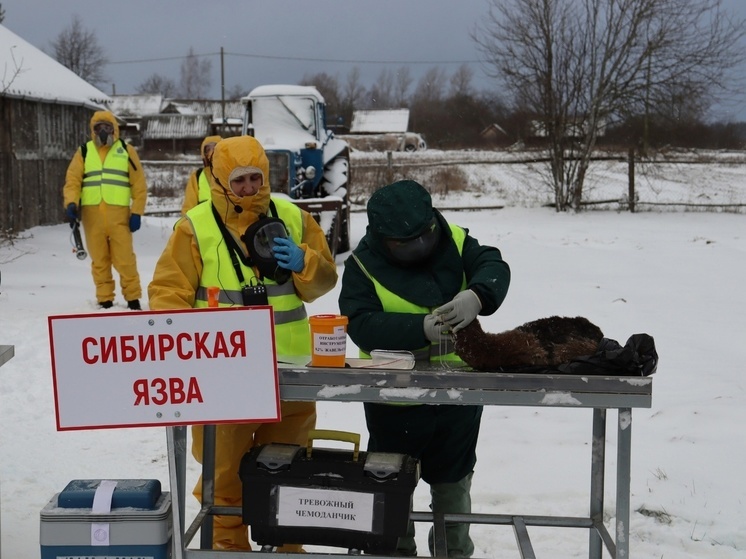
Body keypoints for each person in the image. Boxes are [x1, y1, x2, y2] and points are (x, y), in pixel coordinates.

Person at [148, 135, 338, 551]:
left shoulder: (292, 216)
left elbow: (323, 281)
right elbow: (167, 294)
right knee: (224, 479)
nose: (250, 188)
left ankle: (289, 548)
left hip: (289, 374)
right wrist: (184, 352)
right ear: (218, 180)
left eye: (256, 178)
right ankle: (226, 551)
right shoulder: (194, 227)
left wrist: (305, 261)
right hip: (224, 379)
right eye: (240, 181)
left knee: (288, 475)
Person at [338, 179, 511, 558]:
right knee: (391, 484)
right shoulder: (363, 266)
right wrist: (418, 330)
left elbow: (494, 265)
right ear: (383, 239)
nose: (419, 247)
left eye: (424, 236)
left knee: (453, 484)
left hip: (457, 397)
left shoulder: (455, 239)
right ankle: (395, 551)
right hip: (393, 401)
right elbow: (359, 321)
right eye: (406, 243)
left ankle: (454, 552)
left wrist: (478, 295)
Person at [62, 110, 147, 310]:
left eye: (107, 127)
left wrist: (137, 212)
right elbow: (72, 180)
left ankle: (133, 298)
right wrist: (71, 203)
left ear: (114, 129)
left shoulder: (126, 151)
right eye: (98, 128)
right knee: (99, 261)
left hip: (120, 217)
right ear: (92, 130)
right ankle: (105, 299)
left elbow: (139, 185)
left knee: (125, 260)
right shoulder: (84, 151)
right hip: (92, 218)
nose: (102, 132)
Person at [180, 135, 222, 216]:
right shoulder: (197, 176)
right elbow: (189, 207)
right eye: (208, 149)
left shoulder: (231, 174)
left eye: (215, 148)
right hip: (203, 225)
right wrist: (186, 226)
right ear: (203, 153)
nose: (211, 152)